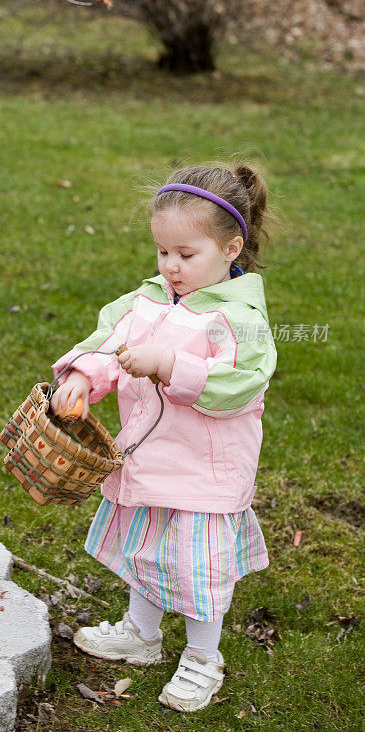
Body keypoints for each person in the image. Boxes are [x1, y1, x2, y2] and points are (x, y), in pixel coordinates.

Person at [50, 163, 278, 713]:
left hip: (205, 471)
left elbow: (241, 384)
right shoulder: (147, 300)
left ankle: (203, 658)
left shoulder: (241, 315)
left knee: (197, 566)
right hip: (148, 457)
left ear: (231, 248)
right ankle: (141, 633)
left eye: (185, 254)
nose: (170, 267)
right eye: (162, 252)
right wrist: (82, 376)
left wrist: (170, 364)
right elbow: (109, 342)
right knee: (146, 548)